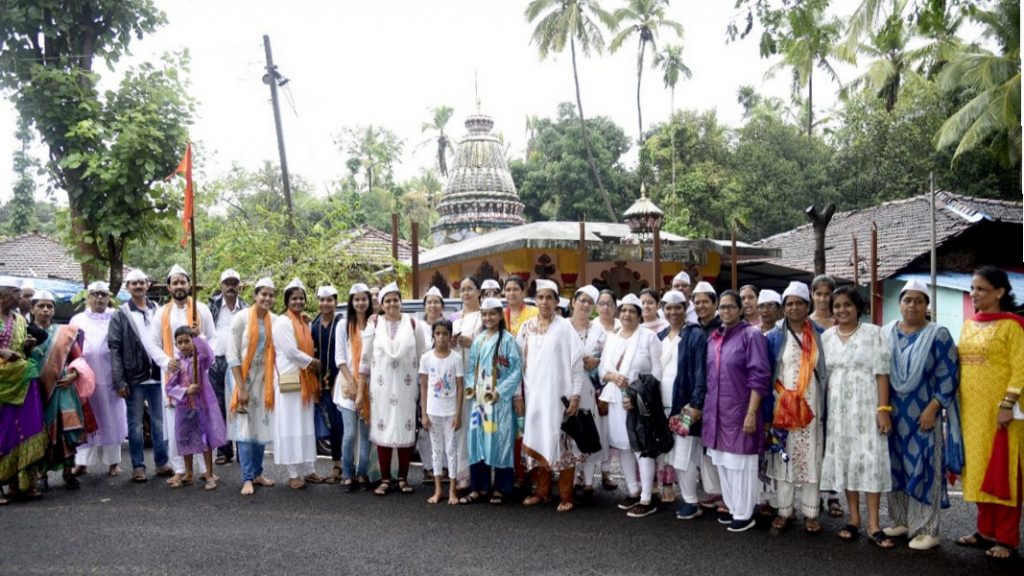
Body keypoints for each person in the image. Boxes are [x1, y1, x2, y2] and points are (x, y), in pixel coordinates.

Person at [883, 279, 961, 551]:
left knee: (925, 466)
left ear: (927, 305)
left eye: (919, 301)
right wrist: (881, 409)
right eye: (907, 300)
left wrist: (934, 407)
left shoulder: (938, 334)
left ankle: (928, 529)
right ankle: (902, 520)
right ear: (899, 303)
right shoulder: (887, 332)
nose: (912, 305)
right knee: (895, 466)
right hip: (893, 413)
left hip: (923, 414)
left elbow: (948, 374)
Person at [955, 266, 1022, 560]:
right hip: (972, 414)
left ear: (999, 292)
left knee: (1003, 472)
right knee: (979, 471)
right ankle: (985, 532)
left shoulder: (1012, 326)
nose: (974, 294)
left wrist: (1007, 404)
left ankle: (1007, 539)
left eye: (981, 289)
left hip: (1003, 415)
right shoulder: (969, 325)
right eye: (972, 288)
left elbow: (1021, 368)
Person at [820, 286, 894, 548]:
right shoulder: (827, 337)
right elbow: (825, 377)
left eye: (847, 305)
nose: (842, 310)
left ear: (858, 307)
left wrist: (883, 410)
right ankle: (853, 519)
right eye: (837, 306)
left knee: (870, 462)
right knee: (846, 461)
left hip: (866, 408)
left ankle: (874, 525)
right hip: (838, 411)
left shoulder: (874, 333)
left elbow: (882, 373)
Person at [703, 290, 772, 533]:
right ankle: (733, 508)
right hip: (717, 412)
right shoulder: (714, 338)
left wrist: (752, 412)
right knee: (723, 462)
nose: (725, 311)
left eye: (731, 306)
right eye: (722, 307)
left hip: (741, 410)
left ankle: (744, 513)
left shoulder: (751, 336)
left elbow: (760, 376)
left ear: (740, 309)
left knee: (741, 464)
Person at [764, 282, 828, 534]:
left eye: (799, 303)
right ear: (783, 307)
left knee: (811, 457)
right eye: (789, 303)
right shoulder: (774, 336)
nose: (794, 308)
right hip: (782, 406)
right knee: (784, 457)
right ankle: (785, 511)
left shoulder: (821, 334)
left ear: (807, 305)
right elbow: (767, 372)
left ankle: (811, 513)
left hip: (811, 408)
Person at [518, 280, 586, 512]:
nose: (545, 302)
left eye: (549, 297)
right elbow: (518, 364)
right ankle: (542, 492)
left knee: (562, 442)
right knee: (538, 439)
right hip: (534, 398)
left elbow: (577, 363)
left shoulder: (565, 327)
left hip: (559, 398)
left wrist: (575, 395)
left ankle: (566, 496)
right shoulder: (526, 327)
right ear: (535, 301)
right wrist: (518, 395)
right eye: (541, 297)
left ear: (557, 301)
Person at [145, 264, 217, 480]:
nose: (179, 286)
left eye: (182, 282)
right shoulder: (161, 313)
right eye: (175, 282)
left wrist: (202, 351)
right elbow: (152, 343)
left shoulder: (201, 309)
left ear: (189, 285)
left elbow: (213, 338)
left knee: (202, 421)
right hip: (174, 376)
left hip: (199, 376)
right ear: (168, 287)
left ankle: (205, 469)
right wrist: (166, 362)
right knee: (177, 425)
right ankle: (181, 470)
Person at [599, 293, 663, 518]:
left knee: (641, 447)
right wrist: (612, 377)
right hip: (616, 400)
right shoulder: (613, 337)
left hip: (639, 403)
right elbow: (602, 369)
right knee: (623, 446)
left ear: (639, 315)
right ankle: (633, 491)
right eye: (624, 310)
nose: (627, 314)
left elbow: (656, 372)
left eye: (632, 311)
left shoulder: (649, 338)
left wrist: (637, 396)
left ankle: (647, 497)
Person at [360, 282, 427, 495]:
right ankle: (385, 479)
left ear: (401, 302)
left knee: (406, 431)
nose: (392, 304)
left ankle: (403, 479)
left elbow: (424, 358)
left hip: (407, 389)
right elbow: (365, 361)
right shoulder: (374, 325)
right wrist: (360, 391)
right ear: (381, 305)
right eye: (387, 301)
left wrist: (424, 390)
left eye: (395, 300)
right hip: (381, 390)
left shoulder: (414, 324)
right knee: (383, 430)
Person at [108, 268, 172, 483]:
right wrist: (119, 380)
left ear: (148, 285)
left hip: (157, 375)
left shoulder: (158, 310)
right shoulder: (121, 314)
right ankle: (138, 466)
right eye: (133, 283)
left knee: (160, 422)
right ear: (127, 287)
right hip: (134, 377)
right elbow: (114, 349)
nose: (138, 286)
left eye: (141, 282)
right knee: (135, 425)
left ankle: (162, 463)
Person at [464, 297, 522, 504]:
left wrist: (501, 391)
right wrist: (470, 387)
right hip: (480, 399)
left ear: (499, 315)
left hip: (498, 400)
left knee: (500, 441)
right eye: (485, 314)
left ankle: (501, 488)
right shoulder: (478, 340)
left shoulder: (508, 340)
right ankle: (479, 487)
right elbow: (471, 368)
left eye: (492, 314)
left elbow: (516, 370)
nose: (488, 318)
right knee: (477, 441)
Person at [657, 290, 708, 521]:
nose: (673, 311)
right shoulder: (660, 335)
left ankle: (691, 501)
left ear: (686, 308)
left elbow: (700, 372)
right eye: (668, 307)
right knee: (672, 452)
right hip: (664, 404)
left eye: (677, 307)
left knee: (684, 454)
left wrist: (696, 403)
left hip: (685, 404)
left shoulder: (695, 334)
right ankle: (689, 498)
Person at [32, 290, 90, 491]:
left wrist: (74, 375)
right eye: (41, 306)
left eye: (49, 306)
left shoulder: (65, 332)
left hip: (63, 388)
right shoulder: (26, 333)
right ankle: (41, 476)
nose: (45, 310)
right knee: (40, 433)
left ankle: (68, 473)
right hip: (37, 392)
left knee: (67, 431)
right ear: (32, 309)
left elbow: (78, 359)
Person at [227, 277, 277, 496]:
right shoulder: (241, 318)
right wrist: (241, 387)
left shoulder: (275, 320)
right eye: (263, 294)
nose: (267, 298)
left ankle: (257, 473)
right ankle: (247, 478)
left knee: (261, 428)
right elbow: (232, 354)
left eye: (271, 295)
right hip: (242, 380)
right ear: (255, 296)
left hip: (265, 382)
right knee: (246, 430)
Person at [70, 281, 126, 477]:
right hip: (84, 377)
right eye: (95, 294)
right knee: (86, 416)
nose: (99, 297)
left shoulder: (116, 316)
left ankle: (113, 462)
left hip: (111, 376)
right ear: (88, 297)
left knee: (112, 418)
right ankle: (82, 462)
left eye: (103, 294)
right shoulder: (78, 319)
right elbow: (71, 347)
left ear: (109, 297)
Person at [272, 278, 323, 490]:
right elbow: (291, 352)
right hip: (290, 381)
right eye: (294, 298)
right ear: (287, 301)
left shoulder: (303, 322)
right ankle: (293, 474)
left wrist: (310, 364)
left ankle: (309, 470)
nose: (298, 301)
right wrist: (312, 362)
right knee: (290, 426)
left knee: (305, 425)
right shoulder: (283, 323)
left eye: (301, 298)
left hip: (305, 381)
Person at [0, 276, 46, 503]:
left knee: (27, 427)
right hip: (3, 383)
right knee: (4, 431)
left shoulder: (19, 319)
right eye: (16, 294)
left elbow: (22, 347)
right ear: (2, 297)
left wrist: (27, 345)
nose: (20, 298)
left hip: (23, 377)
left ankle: (22, 483)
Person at [165, 328, 225, 491]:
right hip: (184, 408)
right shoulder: (178, 364)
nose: (184, 345)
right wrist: (186, 390)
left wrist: (198, 337)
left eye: (187, 341)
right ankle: (189, 473)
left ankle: (209, 474)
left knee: (206, 439)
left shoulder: (200, 360)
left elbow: (209, 355)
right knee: (185, 438)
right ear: (176, 344)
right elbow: (169, 387)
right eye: (180, 342)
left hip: (202, 406)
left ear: (193, 342)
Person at [569, 285, 610, 498]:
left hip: (590, 388)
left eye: (590, 302)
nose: (585, 305)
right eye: (582, 300)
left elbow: (608, 357)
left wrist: (597, 361)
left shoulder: (598, 330)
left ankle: (588, 481)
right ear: (573, 302)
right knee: (570, 431)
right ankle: (571, 477)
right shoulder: (562, 327)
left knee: (590, 431)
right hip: (566, 387)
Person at [333, 283, 374, 492]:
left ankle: (362, 473)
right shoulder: (343, 325)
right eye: (356, 299)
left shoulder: (374, 324)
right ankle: (348, 474)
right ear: (351, 302)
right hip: (348, 385)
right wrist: (352, 383)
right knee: (349, 434)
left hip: (370, 385)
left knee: (366, 435)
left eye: (363, 299)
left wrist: (362, 385)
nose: (360, 303)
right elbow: (340, 358)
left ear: (369, 301)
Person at [418, 318, 463, 504]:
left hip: (450, 412)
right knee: (436, 451)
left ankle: (452, 490)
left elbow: (460, 387)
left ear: (450, 336)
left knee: (451, 450)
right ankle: (438, 490)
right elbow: (423, 387)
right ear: (433, 336)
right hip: (433, 412)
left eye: (445, 333)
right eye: (438, 333)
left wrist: (458, 414)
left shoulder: (456, 358)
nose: (441, 337)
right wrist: (424, 414)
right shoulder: (426, 358)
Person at [208, 268, 246, 465]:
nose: (231, 286)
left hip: (239, 362)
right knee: (219, 405)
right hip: (217, 361)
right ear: (221, 285)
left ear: (239, 286)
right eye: (227, 283)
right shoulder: (211, 307)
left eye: (234, 283)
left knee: (240, 404)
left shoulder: (246, 308)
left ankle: (242, 450)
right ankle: (224, 450)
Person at [692, 280, 724, 510]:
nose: (701, 306)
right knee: (703, 444)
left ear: (715, 303)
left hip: (718, 394)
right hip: (697, 394)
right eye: (697, 302)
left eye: (705, 301)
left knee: (720, 445)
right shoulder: (694, 329)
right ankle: (713, 491)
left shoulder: (723, 328)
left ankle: (727, 494)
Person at [452, 276, 485, 491]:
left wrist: (472, 343)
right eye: (462, 289)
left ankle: (480, 475)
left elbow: (492, 345)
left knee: (479, 425)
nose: (466, 293)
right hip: (459, 380)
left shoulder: (485, 317)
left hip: (480, 380)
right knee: (461, 426)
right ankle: (462, 474)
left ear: (478, 292)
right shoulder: (456, 320)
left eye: (470, 289)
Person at [311, 285, 344, 484]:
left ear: (336, 302)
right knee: (332, 425)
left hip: (341, 381)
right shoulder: (314, 326)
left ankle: (350, 466)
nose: (325, 303)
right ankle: (337, 465)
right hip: (322, 383)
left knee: (344, 425)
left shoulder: (341, 323)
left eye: (329, 300)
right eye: (322, 300)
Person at [417, 286, 448, 484]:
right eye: (429, 302)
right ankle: (428, 467)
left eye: (436, 302)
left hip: (444, 384)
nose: (433, 306)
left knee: (444, 425)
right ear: (425, 306)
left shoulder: (448, 324)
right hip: (422, 382)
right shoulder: (418, 326)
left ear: (442, 306)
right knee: (425, 426)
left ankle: (444, 466)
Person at [592, 289, 619, 490]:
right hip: (594, 385)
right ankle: (584, 475)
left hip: (616, 384)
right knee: (594, 429)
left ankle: (606, 471)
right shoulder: (592, 327)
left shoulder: (621, 326)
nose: (605, 307)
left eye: (609, 303)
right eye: (601, 303)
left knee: (609, 430)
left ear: (615, 306)